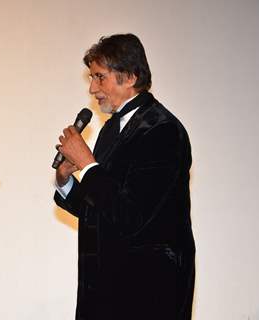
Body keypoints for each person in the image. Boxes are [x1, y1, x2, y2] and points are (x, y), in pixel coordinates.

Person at [54, 34, 196, 319]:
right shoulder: (110, 130)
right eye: (92, 78)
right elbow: (102, 209)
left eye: (99, 77)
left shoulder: (162, 130)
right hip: (106, 292)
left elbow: (132, 216)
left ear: (130, 77)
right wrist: (66, 181)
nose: (93, 88)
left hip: (148, 294)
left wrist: (88, 164)